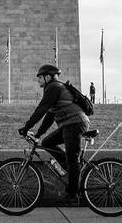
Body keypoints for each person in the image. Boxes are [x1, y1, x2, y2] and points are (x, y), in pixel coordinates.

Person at [18, 64, 90, 205]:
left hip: (75, 123)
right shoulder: (54, 88)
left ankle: (72, 195)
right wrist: (38, 134)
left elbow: (42, 109)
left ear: (48, 76)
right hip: (69, 124)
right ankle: (70, 168)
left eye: (40, 77)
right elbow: (49, 116)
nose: (37, 79)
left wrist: (27, 126)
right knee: (46, 143)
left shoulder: (53, 87)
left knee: (72, 159)